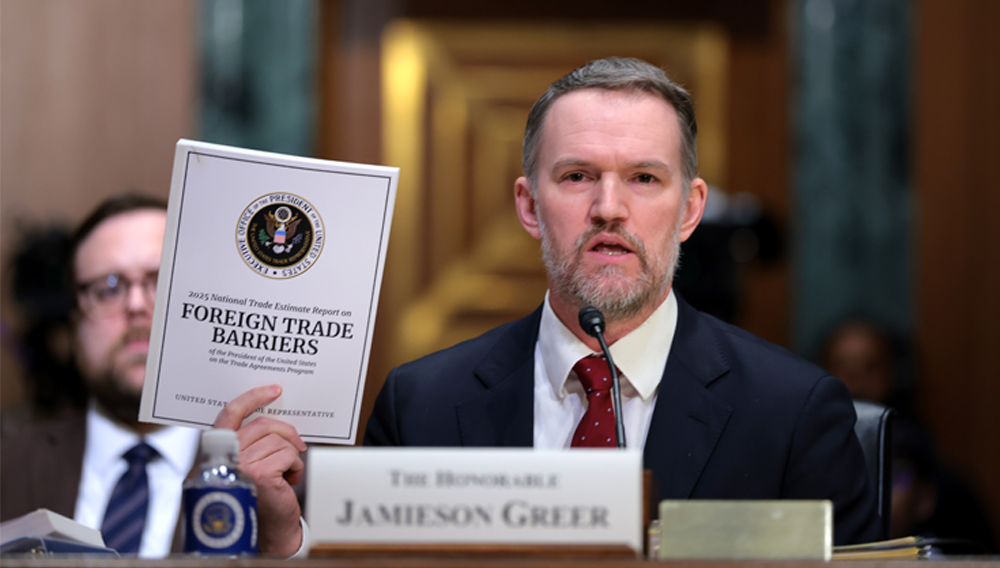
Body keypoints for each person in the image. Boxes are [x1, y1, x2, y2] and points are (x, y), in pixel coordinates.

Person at [216, 57, 879, 555]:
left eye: (645, 178)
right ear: (529, 207)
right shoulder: (420, 404)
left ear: (691, 209)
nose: (609, 207)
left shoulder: (793, 412)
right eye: (577, 176)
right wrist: (283, 540)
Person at [1, 195, 200, 558]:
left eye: (162, 281)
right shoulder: (8, 465)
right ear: (75, 324)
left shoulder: (280, 482)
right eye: (108, 289)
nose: (137, 306)